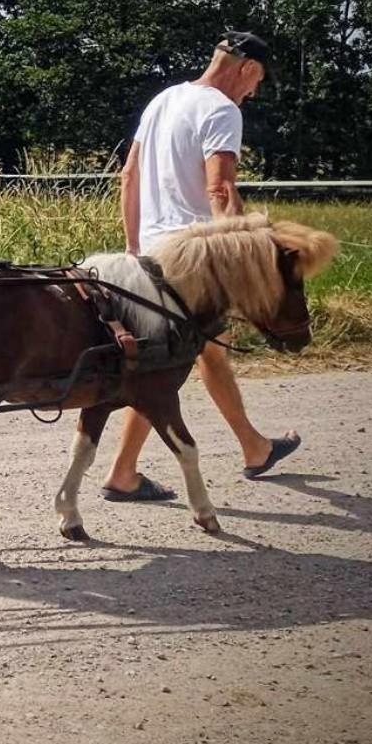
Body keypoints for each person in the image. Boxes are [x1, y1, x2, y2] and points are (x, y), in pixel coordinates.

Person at [101, 31, 301, 502]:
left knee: (207, 354)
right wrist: (234, 253)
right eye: (258, 82)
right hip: (194, 260)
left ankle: (253, 447)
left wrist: (134, 247)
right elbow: (219, 190)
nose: (253, 93)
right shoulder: (223, 110)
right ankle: (123, 471)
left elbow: (128, 175)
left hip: (151, 254)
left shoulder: (164, 98)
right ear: (247, 68)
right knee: (173, 362)